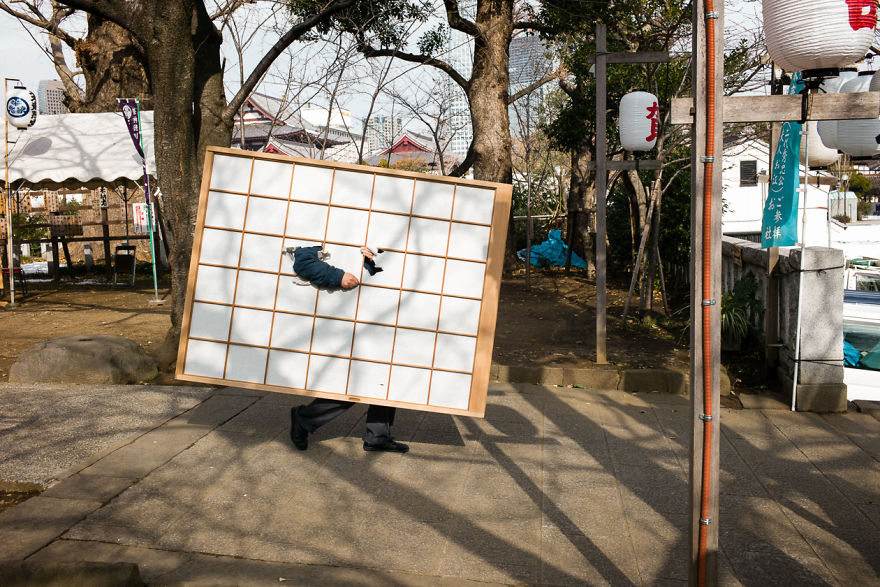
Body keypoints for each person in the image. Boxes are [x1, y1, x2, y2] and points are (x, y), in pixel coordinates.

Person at [286, 244, 408, 453]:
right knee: (355, 383)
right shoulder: (333, 228)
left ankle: (378, 436)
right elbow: (303, 259)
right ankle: (306, 418)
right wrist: (337, 276)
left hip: (386, 315)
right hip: (351, 318)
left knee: (386, 375)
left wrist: (375, 259)